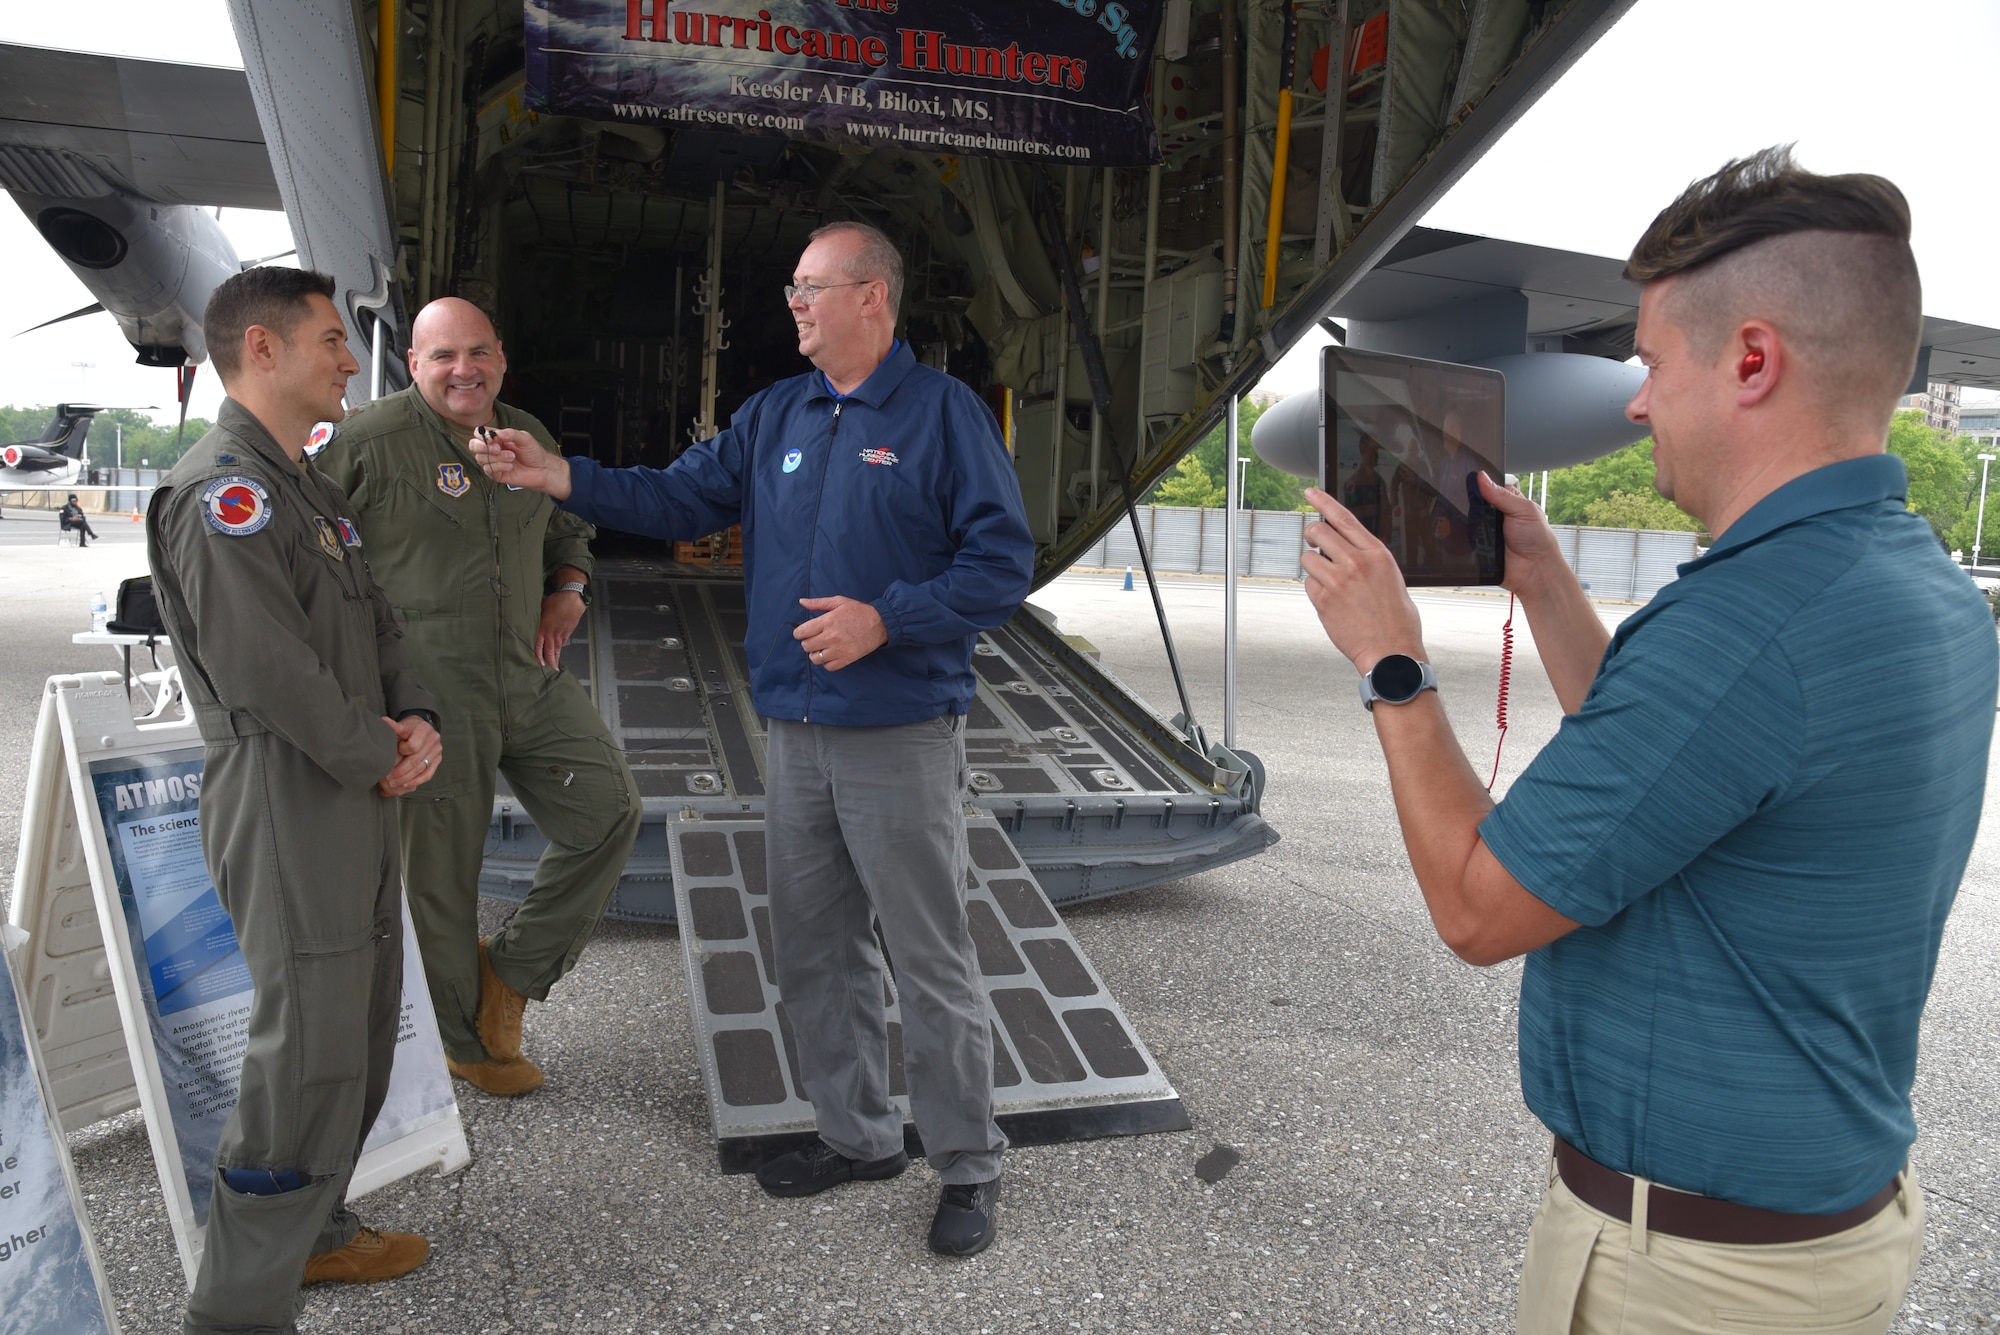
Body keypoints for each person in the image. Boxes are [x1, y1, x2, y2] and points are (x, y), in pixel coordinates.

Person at [1298, 147, 1993, 1334]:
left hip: (1691, 1279)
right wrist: (1549, 585)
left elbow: (1476, 911)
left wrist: (1392, 669)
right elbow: (1686, 764)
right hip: (1813, 1237)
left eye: (1652, 362)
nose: (1633, 399)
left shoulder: (1744, 625)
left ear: (1752, 361)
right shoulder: (1909, 577)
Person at [470, 220, 1034, 1257]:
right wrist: (561, 477)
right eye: (792, 289)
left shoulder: (942, 415)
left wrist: (887, 617)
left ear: (873, 298)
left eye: (812, 288)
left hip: (899, 731)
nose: (795, 306)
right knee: (816, 948)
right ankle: (858, 1135)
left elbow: (1001, 565)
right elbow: (681, 494)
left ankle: (967, 1164)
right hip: (796, 728)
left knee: (928, 956)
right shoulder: (779, 410)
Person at [146, 267, 443, 1333]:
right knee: (303, 1049)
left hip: (351, 779)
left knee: (356, 1030)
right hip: (286, 788)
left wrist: (417, 722)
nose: (351, 361)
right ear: (261, 350)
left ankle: (313, 1238)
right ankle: (234, 1311)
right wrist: (377, 750)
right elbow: (266, 666)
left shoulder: (305, 485)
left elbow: (375, 624)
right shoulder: (223, 489)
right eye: (331, 340)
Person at [318, 297, 641, 1098]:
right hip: (430, 691)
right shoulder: (365, 443)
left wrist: (568, 585)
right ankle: (468, 1040)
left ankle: (513, 972)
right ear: (414, 364)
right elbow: (310, 558)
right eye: (443, 356)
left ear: (501, 357)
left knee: (608, 809)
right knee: (442, 875)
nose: (464, 369)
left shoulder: (524, 434)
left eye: (479, 353)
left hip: (525, 675)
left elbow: (568, 526)